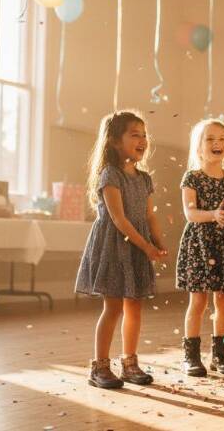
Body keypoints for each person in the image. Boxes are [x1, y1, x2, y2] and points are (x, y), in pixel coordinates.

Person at [76, 110, 167, 389]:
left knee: (135, 307)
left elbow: (149, 215)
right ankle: (100, 366)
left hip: (137, 246)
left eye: (144, 134)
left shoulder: (144, 178)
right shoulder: (110, 174)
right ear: (115, 141)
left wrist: (158, 241)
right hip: (114, 246)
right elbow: (119, 219)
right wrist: (145, 246)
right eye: (134, 134)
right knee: (113, 307)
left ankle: (130, 363)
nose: (142, 139)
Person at [177, 119, 224, 377]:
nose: (217, 143)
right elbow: (190, 214)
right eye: (210, 139)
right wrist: (214, 215)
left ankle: (220, 354)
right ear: (199, 147)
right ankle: (191, 356)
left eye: (222, 139)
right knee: (198, 301)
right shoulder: (192, 177)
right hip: (200, 244)